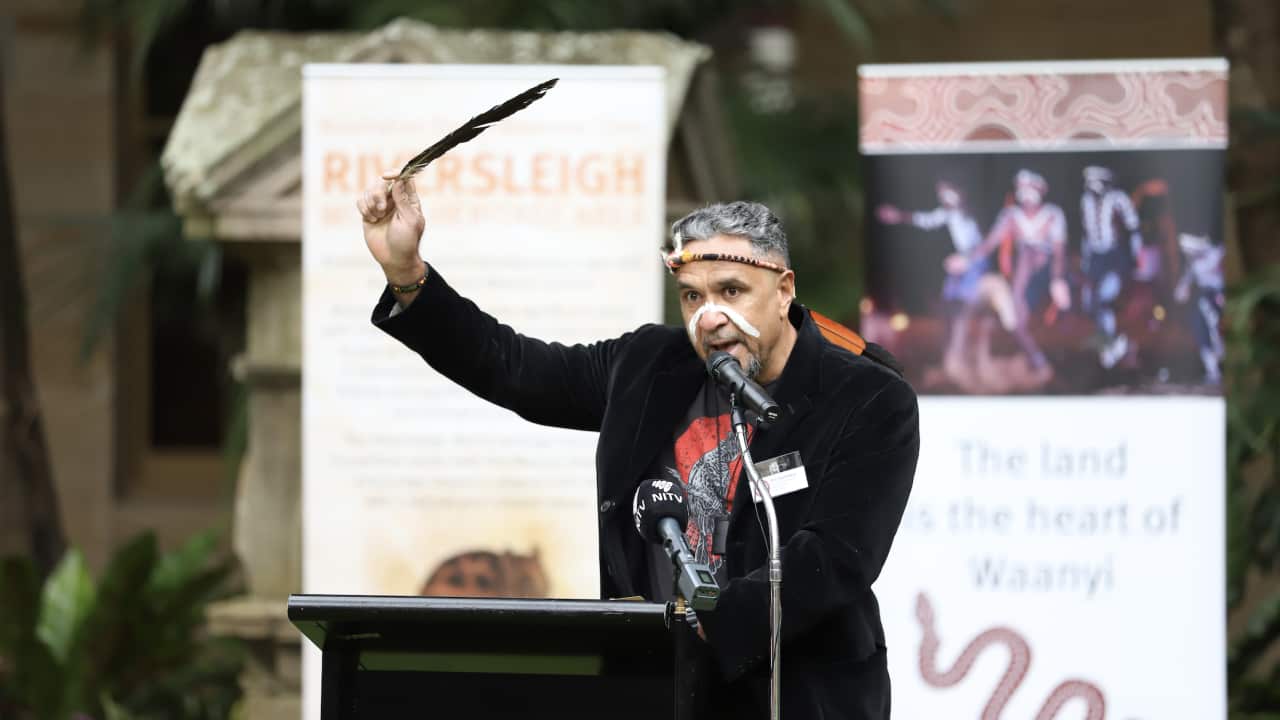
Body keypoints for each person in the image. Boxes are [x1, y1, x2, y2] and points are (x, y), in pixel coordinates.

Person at [357, 172, 920, 719]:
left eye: (732, 292)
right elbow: (515, 368)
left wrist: (709, 619)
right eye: (691, 296)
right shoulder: (650, 365)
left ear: (784, 290)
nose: (711, 317)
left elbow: (836, 558)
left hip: (798, 693)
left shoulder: (867, 396)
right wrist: (406, 272)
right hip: (653, 685)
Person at [959, 169, 1070, 381]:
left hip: (1048, 274)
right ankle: (1038, 361)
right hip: (1024, 277)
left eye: (1031, 188)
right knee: (1017, 321)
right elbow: (991, 242)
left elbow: (1059, 252)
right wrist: (968, 259)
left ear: (1040, 190)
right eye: (1022, 189)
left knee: (1032, 256)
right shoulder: (1011, 215)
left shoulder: (1053, 214)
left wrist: (1058, 280)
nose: (1026, 195)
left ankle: (1062, 359)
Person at [877, 180, 990, 386]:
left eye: (947, 194)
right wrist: (898, 216)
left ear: (959, 192)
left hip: (976, 263)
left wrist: (967, 259)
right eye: (941, 195)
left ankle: (961, 356)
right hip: (962, 263)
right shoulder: (949, 213)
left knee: (961, 308)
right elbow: (926, 220)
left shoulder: (972, 213)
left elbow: (986, 243)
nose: (944, 199)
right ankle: (950, 357)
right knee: (947, 307)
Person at [1079, 165, 1143, 369]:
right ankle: (1111, 346)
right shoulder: (1085, 202)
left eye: (1097, 182)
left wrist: (1135, 254)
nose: (1093, 187)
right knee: (1090, 303)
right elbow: (1086, 232)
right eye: (1090, 183)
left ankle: (1113, 346)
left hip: (1115, 256)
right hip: (1096, 258)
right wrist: (1085, 259)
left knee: (1105, 298)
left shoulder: (1119, 198)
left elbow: (1133, 227)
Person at [1173, 233, 1225, 384]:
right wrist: (1181, 289)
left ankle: (1219, 356)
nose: (1187, 253)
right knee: (1199, 326)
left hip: (1218, 295)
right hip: (1204, 299)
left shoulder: (1217, 252)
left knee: (1213, 322)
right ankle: (1212, 369)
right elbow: (1185, 282)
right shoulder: (1193, 262)